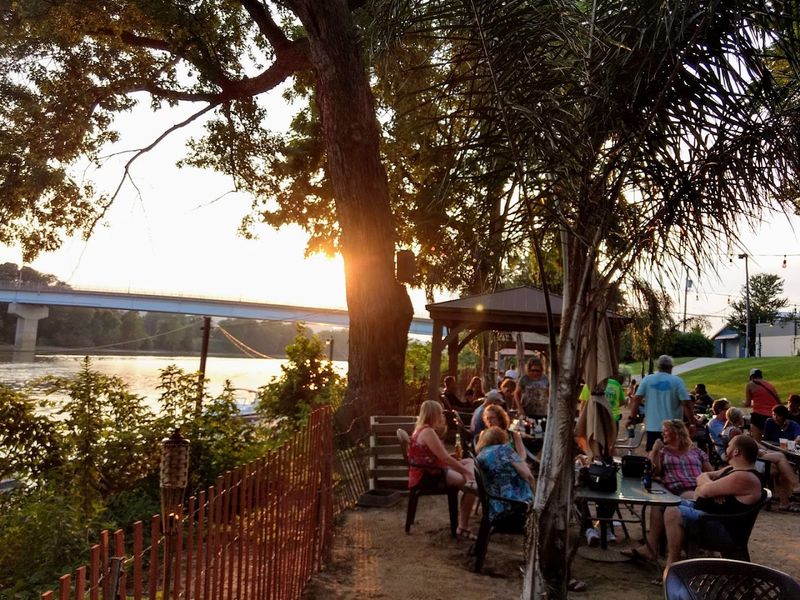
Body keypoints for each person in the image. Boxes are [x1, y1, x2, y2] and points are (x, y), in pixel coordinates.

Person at [661, 435, 764, 580]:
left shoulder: (743, 477)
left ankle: (674, 567)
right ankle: (659, 552)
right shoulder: (732, 470)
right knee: (666, 503)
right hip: (710, 517)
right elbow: (702, 476)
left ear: (736, 452)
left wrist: (709, 489)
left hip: (723, 530)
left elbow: (702, 490)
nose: (726, 448)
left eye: (729, 445)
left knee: (672, 511)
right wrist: (710, 488)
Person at [621, 420, 712, 561]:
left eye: (666, 430)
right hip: (674, 490)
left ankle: (660, 551)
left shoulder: (696, 451)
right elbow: (654, 471)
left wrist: (710, 487)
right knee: (657, 505)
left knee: (684, 497)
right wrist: (655, 451)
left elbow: (710, 473)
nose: (662, 433)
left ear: (677, 432)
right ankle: (650, 548)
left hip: (695, 488)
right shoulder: (663, 452)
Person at [408, 400, 478, 539]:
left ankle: (471, 479)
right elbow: (445, 459)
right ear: (433, 414)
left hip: (430, 469)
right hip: (429, 475)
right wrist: (466, 472)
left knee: (469, 461)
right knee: (472, 488)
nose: (442, 415)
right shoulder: (428, 432)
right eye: (440, 412)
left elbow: (438, 456)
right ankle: (463, 526)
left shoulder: (421, 429)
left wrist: (458, 464)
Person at [723, 408, 798, 512]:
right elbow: (746, 449)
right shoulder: (736, 432)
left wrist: (764, 450)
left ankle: (785, 498)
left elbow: (753, 444)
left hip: (750, 458)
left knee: (779, 463)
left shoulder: (730, 429)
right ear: (739, 418)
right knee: (780, 462)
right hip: (749, 461)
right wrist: (762, 452)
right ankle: (791, 490)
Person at [627, 355, 694, 451]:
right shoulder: (677, 381)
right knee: (674, 455)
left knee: (653, 455)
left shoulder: (647, 380)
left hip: (652, 426)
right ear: (671, 367)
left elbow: (636, 399)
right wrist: (692, 423)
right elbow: (686, 403)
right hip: (673, 427)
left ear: (658, 367)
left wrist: (632, 418)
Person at [475, 426, 534, 526]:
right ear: (502, 438)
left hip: (493, 509)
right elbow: (527, 475)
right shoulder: (504, 450)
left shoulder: (481, 455)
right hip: (513, 508)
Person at [744, 368, 780, 442]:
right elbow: (778, 401)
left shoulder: (750, 384)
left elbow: (747, 403)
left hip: (758, 415)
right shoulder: (770, 385)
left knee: (757, 441)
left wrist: (743, 403)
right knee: (770, 441)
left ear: (751, 377)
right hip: (772, 416)